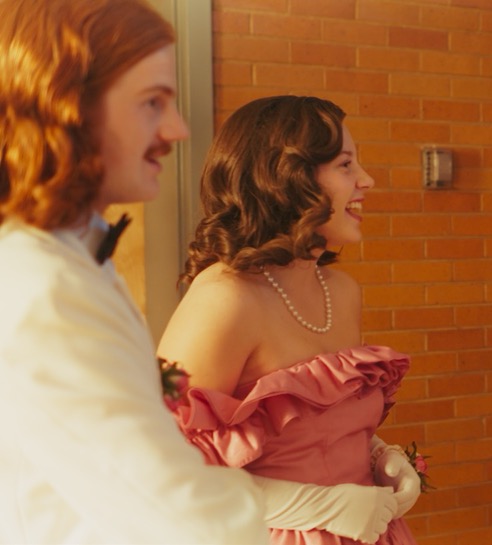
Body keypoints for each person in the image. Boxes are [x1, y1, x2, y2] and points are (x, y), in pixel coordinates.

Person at [0, 0, 268, 542]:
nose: (178, 129)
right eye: (153, 103)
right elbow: (177, 518)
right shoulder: (45, 286)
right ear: (66, 106)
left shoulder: (74, 257)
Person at [154, 95, 419, 545]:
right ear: (287, 179)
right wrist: (314, 505)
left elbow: (315, 430)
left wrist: (380, 456)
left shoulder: (341, 292)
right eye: (345, 165)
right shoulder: (225, 299)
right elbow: (157, 462)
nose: (367, 180)